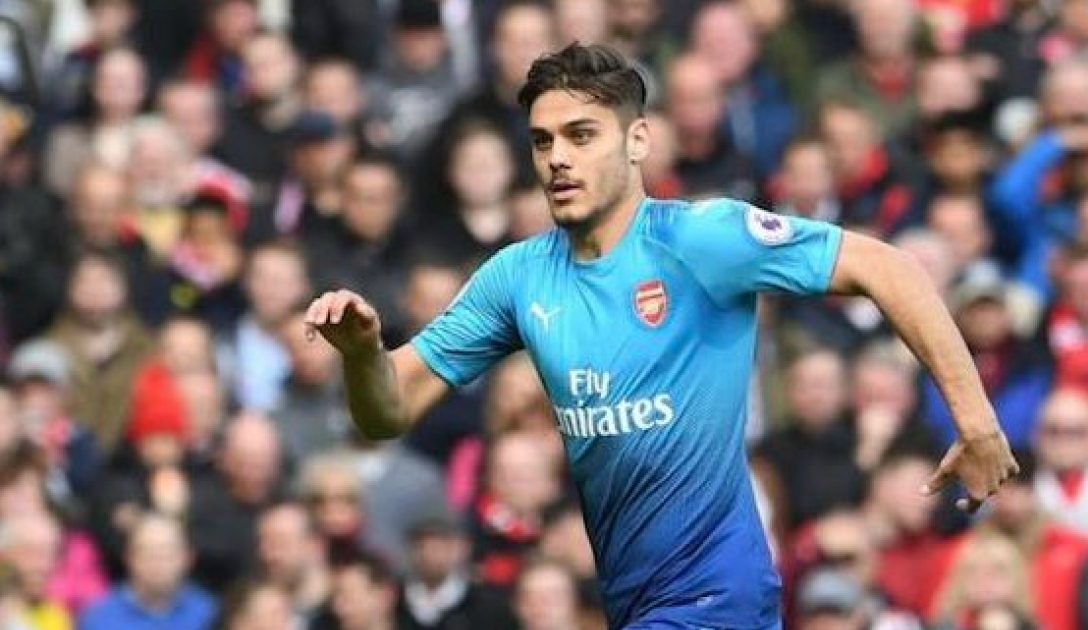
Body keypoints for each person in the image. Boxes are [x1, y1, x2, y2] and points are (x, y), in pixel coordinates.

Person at [305, 43, 1020, 630]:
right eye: (543, 141)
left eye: (581, 135)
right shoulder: (517, 278)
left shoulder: (702, 238)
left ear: (638, 139)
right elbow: (387, 411)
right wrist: (364, 355)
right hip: (635, 605)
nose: (557, 158)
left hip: (719, 598)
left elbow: (889, 267)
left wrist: (976, 419)